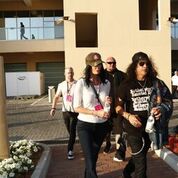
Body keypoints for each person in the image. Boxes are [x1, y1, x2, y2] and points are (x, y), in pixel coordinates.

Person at [115, 52, 172, 178]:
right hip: (133, 129)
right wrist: (128, 116)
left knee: (139, 156)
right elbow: (117, 107)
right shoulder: (126, 84)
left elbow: (168, 100)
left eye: (147, 64)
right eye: (142, 64)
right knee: (141, 163)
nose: (145, 66)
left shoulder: (156, 83)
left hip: (152, 129)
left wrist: (161, 110)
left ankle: (127, 171)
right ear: (135, 66)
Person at [73, 52, 111, 178]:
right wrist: (96, 112)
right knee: (89, 159)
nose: (98, 67)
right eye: (95, 65)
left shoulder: (106, 83)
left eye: (99, 64)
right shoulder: (81, 83)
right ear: (88, 66)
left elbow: (105, 106)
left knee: (93, 157)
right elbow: (76, 107)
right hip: (85, 125)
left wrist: (107, 108)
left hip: (101, 126)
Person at [50, 67, 78, 160]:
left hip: (75, 111)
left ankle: (70, 150)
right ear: (64, 74)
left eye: (71, 72)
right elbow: (56, 97)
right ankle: (73, 141)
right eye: (67, 73)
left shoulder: (78, 84)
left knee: (72, 130)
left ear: (73, 73)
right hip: (65, 111)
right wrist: (53, 108)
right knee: (70, 131)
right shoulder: (61, 85)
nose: (69, 74)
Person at [103, 56, 127, 162]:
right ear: (105, 64)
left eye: (113, 62)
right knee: (106, 131)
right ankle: (108, 143)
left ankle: (119, 152)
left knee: (119, 130)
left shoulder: (122, 75)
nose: (111, 64)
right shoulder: (101, 75)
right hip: (105, 109)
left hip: (118, 108)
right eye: (109, 63)